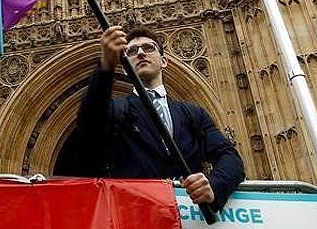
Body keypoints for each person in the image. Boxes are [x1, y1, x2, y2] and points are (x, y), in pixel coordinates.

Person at [71, 25, 245, 211]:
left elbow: (230, 157)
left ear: (164, 61)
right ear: (125, 66)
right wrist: (105, 67)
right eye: (131, 51)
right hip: (135, 214)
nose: (140, 53)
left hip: (188, 216)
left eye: (148, 48)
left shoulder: (191, 113)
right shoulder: (116, 111)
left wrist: (213, 186)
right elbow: (88, 123)